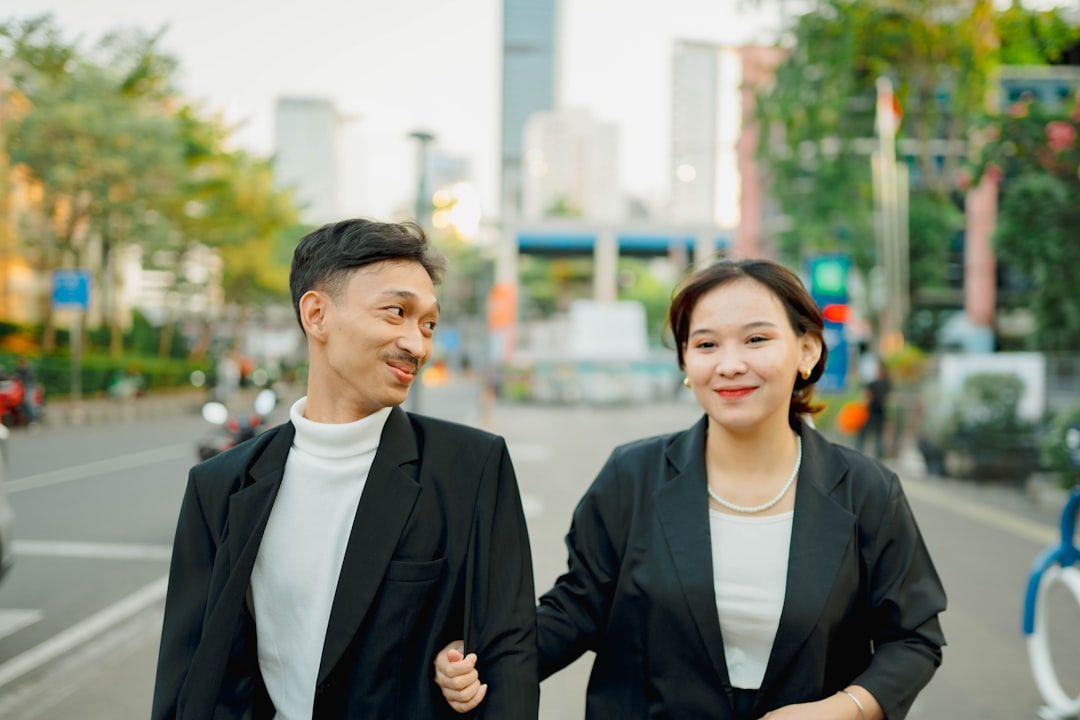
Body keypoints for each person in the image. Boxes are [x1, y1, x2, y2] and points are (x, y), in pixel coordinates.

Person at [435, 258, 946, 719]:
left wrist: (845, 710)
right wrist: (478, 661)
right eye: (705, 344)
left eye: (756, 339)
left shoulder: (866, 491)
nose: (729, 364)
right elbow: (577, 608)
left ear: (807, 349)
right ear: (685, 362)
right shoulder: (632, 475)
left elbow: (914, 637)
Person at [152, 218, 538, 719]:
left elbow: (508, 656)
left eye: (428, 324)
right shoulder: (220, 485)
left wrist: (461, 665)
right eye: (396, 312)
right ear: (317, 315)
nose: (417, 345)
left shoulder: (471, 467)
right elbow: (189, 671)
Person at [857, 358, 891, 459]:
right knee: (878, 435)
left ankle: (859, 453)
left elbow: (866, 398)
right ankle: (879, 455)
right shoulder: (887, 384)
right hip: (881, 412)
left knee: (863, 435)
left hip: (869, 413)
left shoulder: (872, 384)